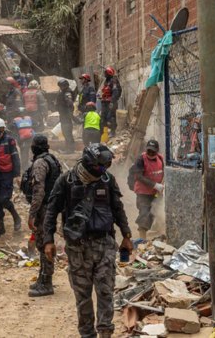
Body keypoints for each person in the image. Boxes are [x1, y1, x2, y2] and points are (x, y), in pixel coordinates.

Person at [43, 144, 133, 338]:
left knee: (105, 291)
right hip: (78, 248)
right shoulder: (66, 181)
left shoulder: (107, 181)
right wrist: (48, 240)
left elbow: (118, 209)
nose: (104, 171)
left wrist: (126, 235)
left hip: (104, 244)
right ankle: (87, 334)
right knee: (82, 296)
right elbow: (51, 211)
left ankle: (105, 332)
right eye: (101, 167)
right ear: (89, 164)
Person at [25, 135, 61, 298]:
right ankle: (43, 278)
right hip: (51, 206)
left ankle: (46, 282)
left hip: (44, 208)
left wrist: (32, 213)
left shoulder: (40, 163)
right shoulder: (52, 159)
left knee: (44, 242)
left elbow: (38, 190)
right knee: (45, 242)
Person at [128, 140, 164, 241]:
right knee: (144, 213)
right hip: (143, 193)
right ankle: (142, 240)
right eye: (149, 151)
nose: (151, 154)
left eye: (153, 152)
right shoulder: (141, 159)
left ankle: (156, 233)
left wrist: (161, 186)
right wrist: (154, 185)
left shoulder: (161, 158)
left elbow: (164, 172)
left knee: (154, 212)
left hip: (156, 192)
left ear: (157, 151)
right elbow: (138, 176)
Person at [99, 66, 121, 134]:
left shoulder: (113, 80)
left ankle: (112, 131)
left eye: (105, 73)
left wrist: (112, 101)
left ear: (109, 73)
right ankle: (104, 133)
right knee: (103, 117)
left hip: (111, 102)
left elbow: (115, 92)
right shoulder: (106, 81)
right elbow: (104, 92)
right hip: (104, 102)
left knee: (111, 117)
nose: (104, 74)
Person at [56, 79, 76, 151]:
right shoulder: (64, 92)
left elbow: (69, 103)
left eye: (61, 86)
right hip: (64, 115)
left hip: (66, 115)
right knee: (66, 132)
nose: (60, 87)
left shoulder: (67, 93)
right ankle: (70, 148)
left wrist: (69, 113)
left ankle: (70, 149)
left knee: (67, 132)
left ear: (65, 85)